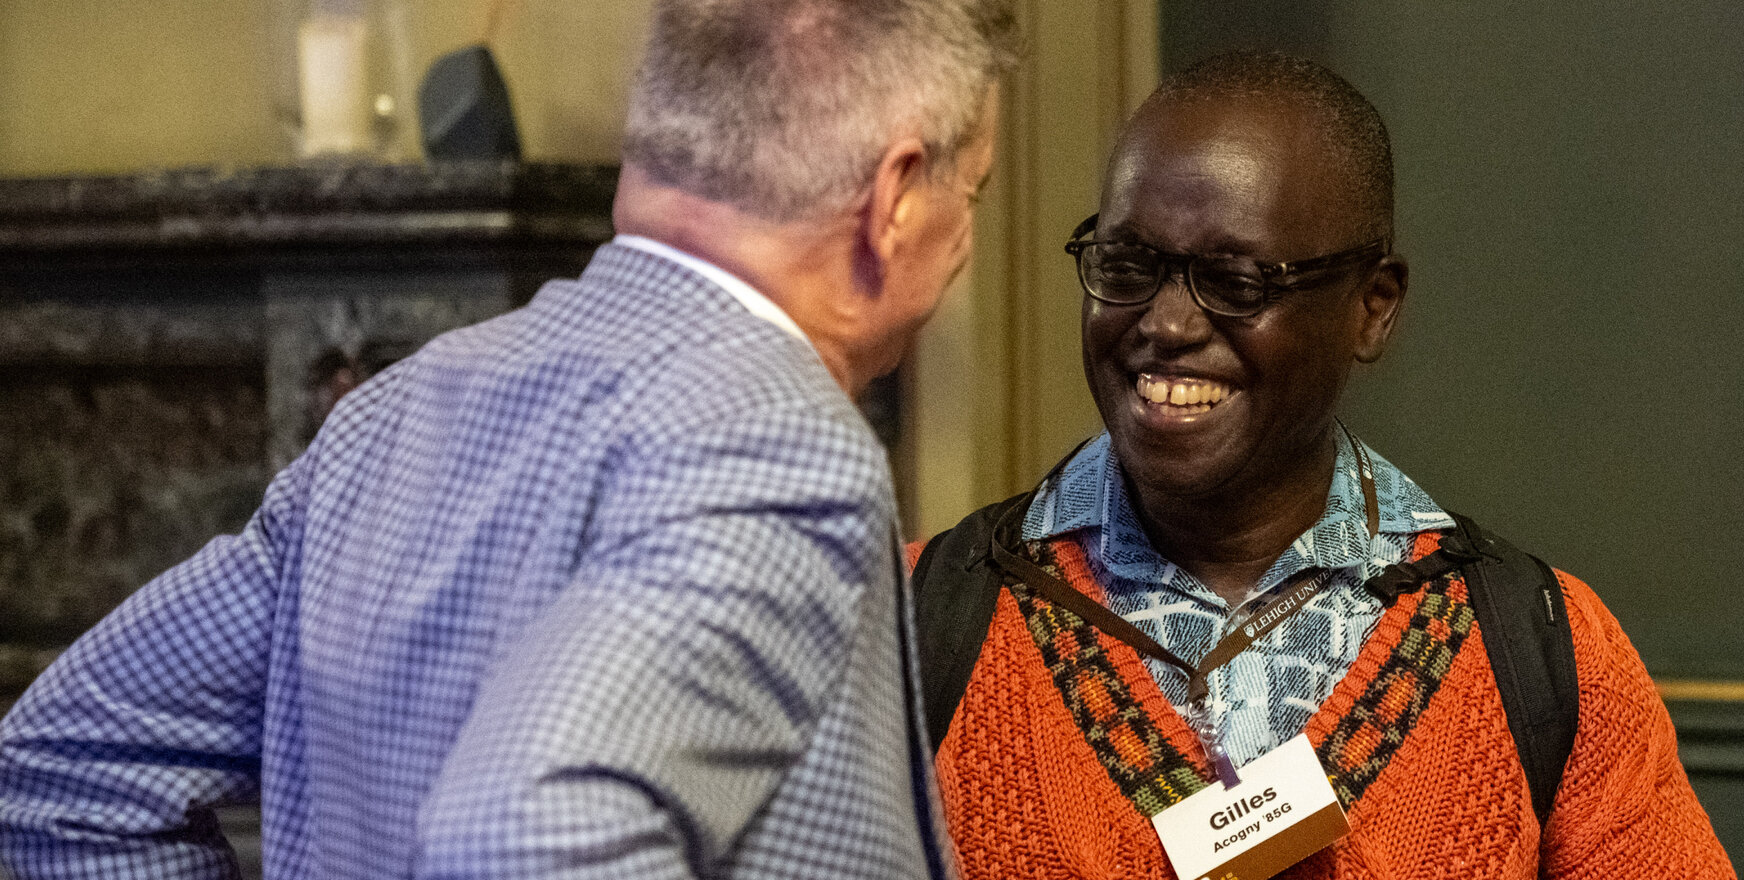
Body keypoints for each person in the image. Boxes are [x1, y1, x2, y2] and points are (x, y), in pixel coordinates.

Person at [0, 1, 1018, 877]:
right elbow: (525, 832)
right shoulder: (781, 448)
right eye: (967, 193)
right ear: (893, 198)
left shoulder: (393, 412)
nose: (964, 239)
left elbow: (64, 773)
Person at [914, 52, 1734, 878]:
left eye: (1234, 281)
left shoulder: (1546, 653)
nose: (1164, 323)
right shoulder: (916, 624)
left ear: (1372, 308)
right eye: (1128, 266)